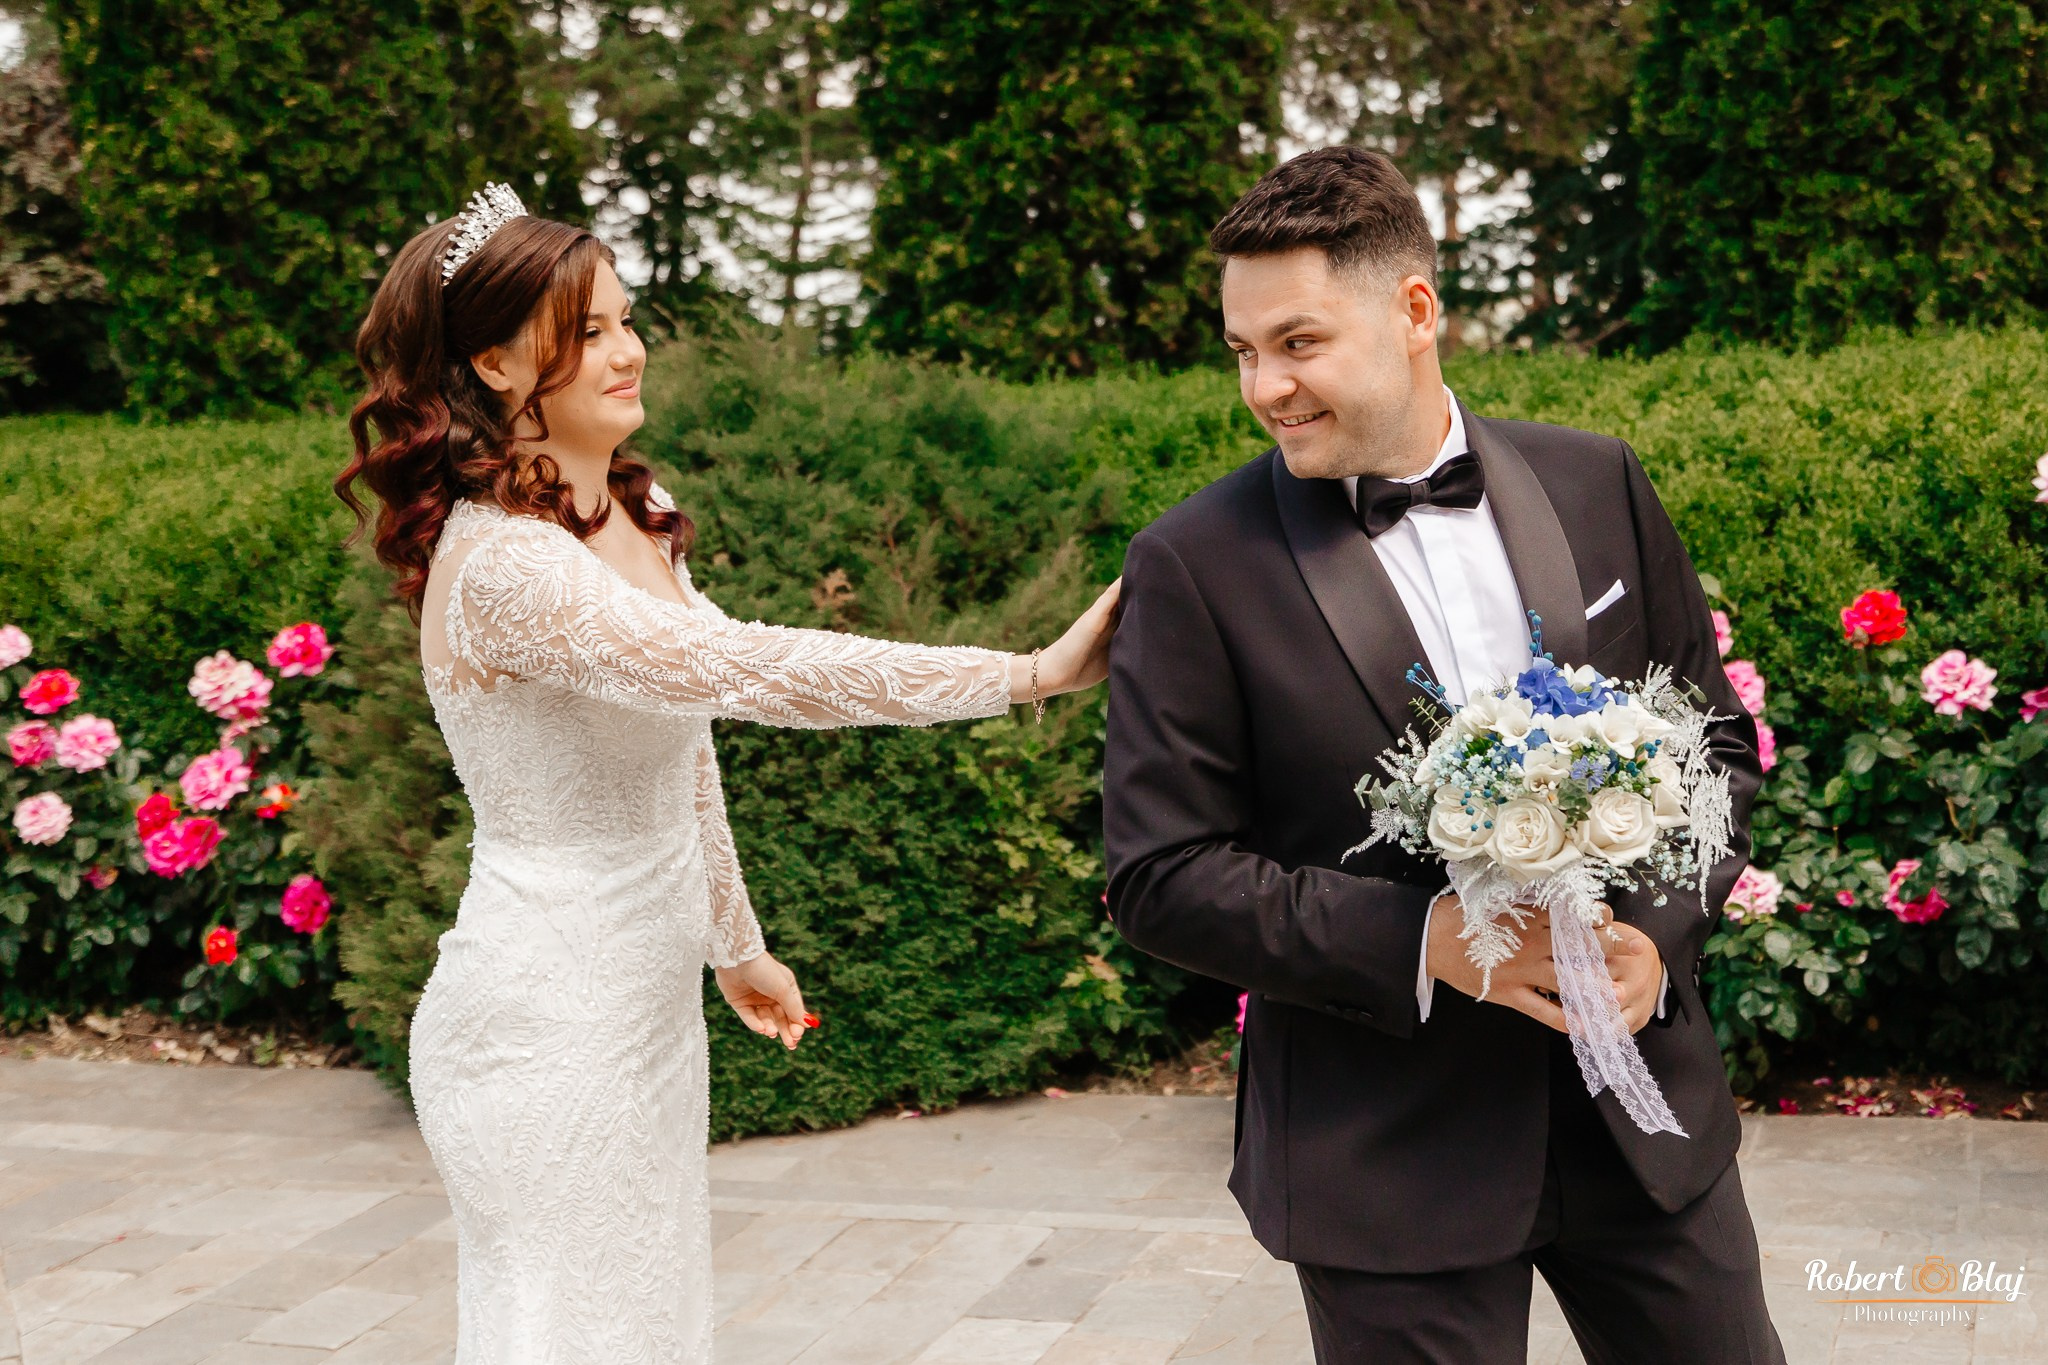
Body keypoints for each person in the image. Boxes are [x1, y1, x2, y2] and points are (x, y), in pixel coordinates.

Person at [335, 183, 1121, 1362]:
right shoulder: (506, 567)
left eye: (625, 320)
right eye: (588, 331)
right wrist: (1023, 675)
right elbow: (744, 671)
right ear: (495, 366)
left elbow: (682, 742)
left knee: (648, 1323)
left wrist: (732, 941)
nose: (628, 351)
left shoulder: (631, 510)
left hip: (641, 1011)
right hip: (544, 1021)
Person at [1102, 148, 1786, 1363]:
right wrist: (1427, 942)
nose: (1264, 387)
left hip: (1644, 1125)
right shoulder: (1192, 563)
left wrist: (1654, 938)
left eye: (1297, 343)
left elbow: (1714, 742)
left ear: (1414, 310)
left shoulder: (1594, 480)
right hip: (1384, 1159)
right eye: (1242, 351)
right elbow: (1160, 876)